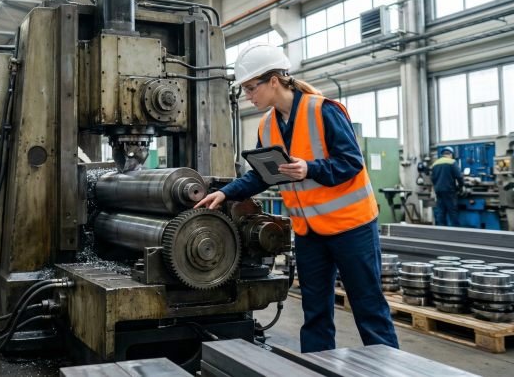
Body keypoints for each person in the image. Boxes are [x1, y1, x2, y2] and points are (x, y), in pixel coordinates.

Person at [195, 44, 398, 353]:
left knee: (368, 308)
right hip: (309, 232)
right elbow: (263, 175)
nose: (248, 95)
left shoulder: (323, 110)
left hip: (351, 227)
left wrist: (309, 169)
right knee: (315, 313)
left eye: (251, 87)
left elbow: (351, 162)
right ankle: (317, 367)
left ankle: (391, 369)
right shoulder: (267, 125)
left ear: (274, 80)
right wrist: (225, 193)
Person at [431, 147, 463, 226]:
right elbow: (459, 176)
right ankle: (456, 230)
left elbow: (432, 178)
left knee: (441, 211)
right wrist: (461, 186)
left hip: (438, 190)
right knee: (452, 211)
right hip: (449, 191)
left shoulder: (435, 163)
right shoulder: (452, 162)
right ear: (451, 154)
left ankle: (441, 230)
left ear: (442, 154)